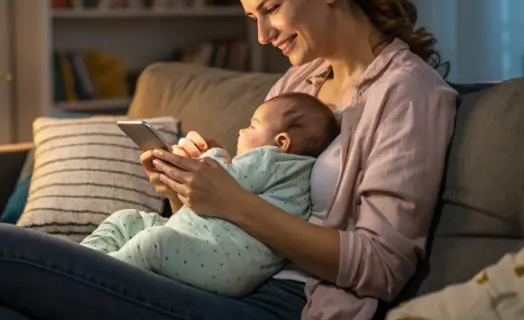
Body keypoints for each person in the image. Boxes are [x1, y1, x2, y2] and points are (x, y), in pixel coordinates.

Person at [0, 0, 458, 320]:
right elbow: (230, 216)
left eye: (270, 9)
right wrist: (184, 189)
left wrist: (233, 200)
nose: (263, 34)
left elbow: (383, 267)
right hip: (222, 279)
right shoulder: (302, 80)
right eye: (252, 16)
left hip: (285, 304)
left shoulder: (409, 94)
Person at [79, 93, 339, 297]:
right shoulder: (294, 173)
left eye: (252, 126)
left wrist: (212, 157)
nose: (241, 130)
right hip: (215, 249)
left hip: (222, 260)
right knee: (127, 220)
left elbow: (226, 181)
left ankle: (88, 279)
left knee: (153, 242)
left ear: (281, 142)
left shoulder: (272, 159)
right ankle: (80, 261)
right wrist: (179, 183)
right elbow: (216, 199)